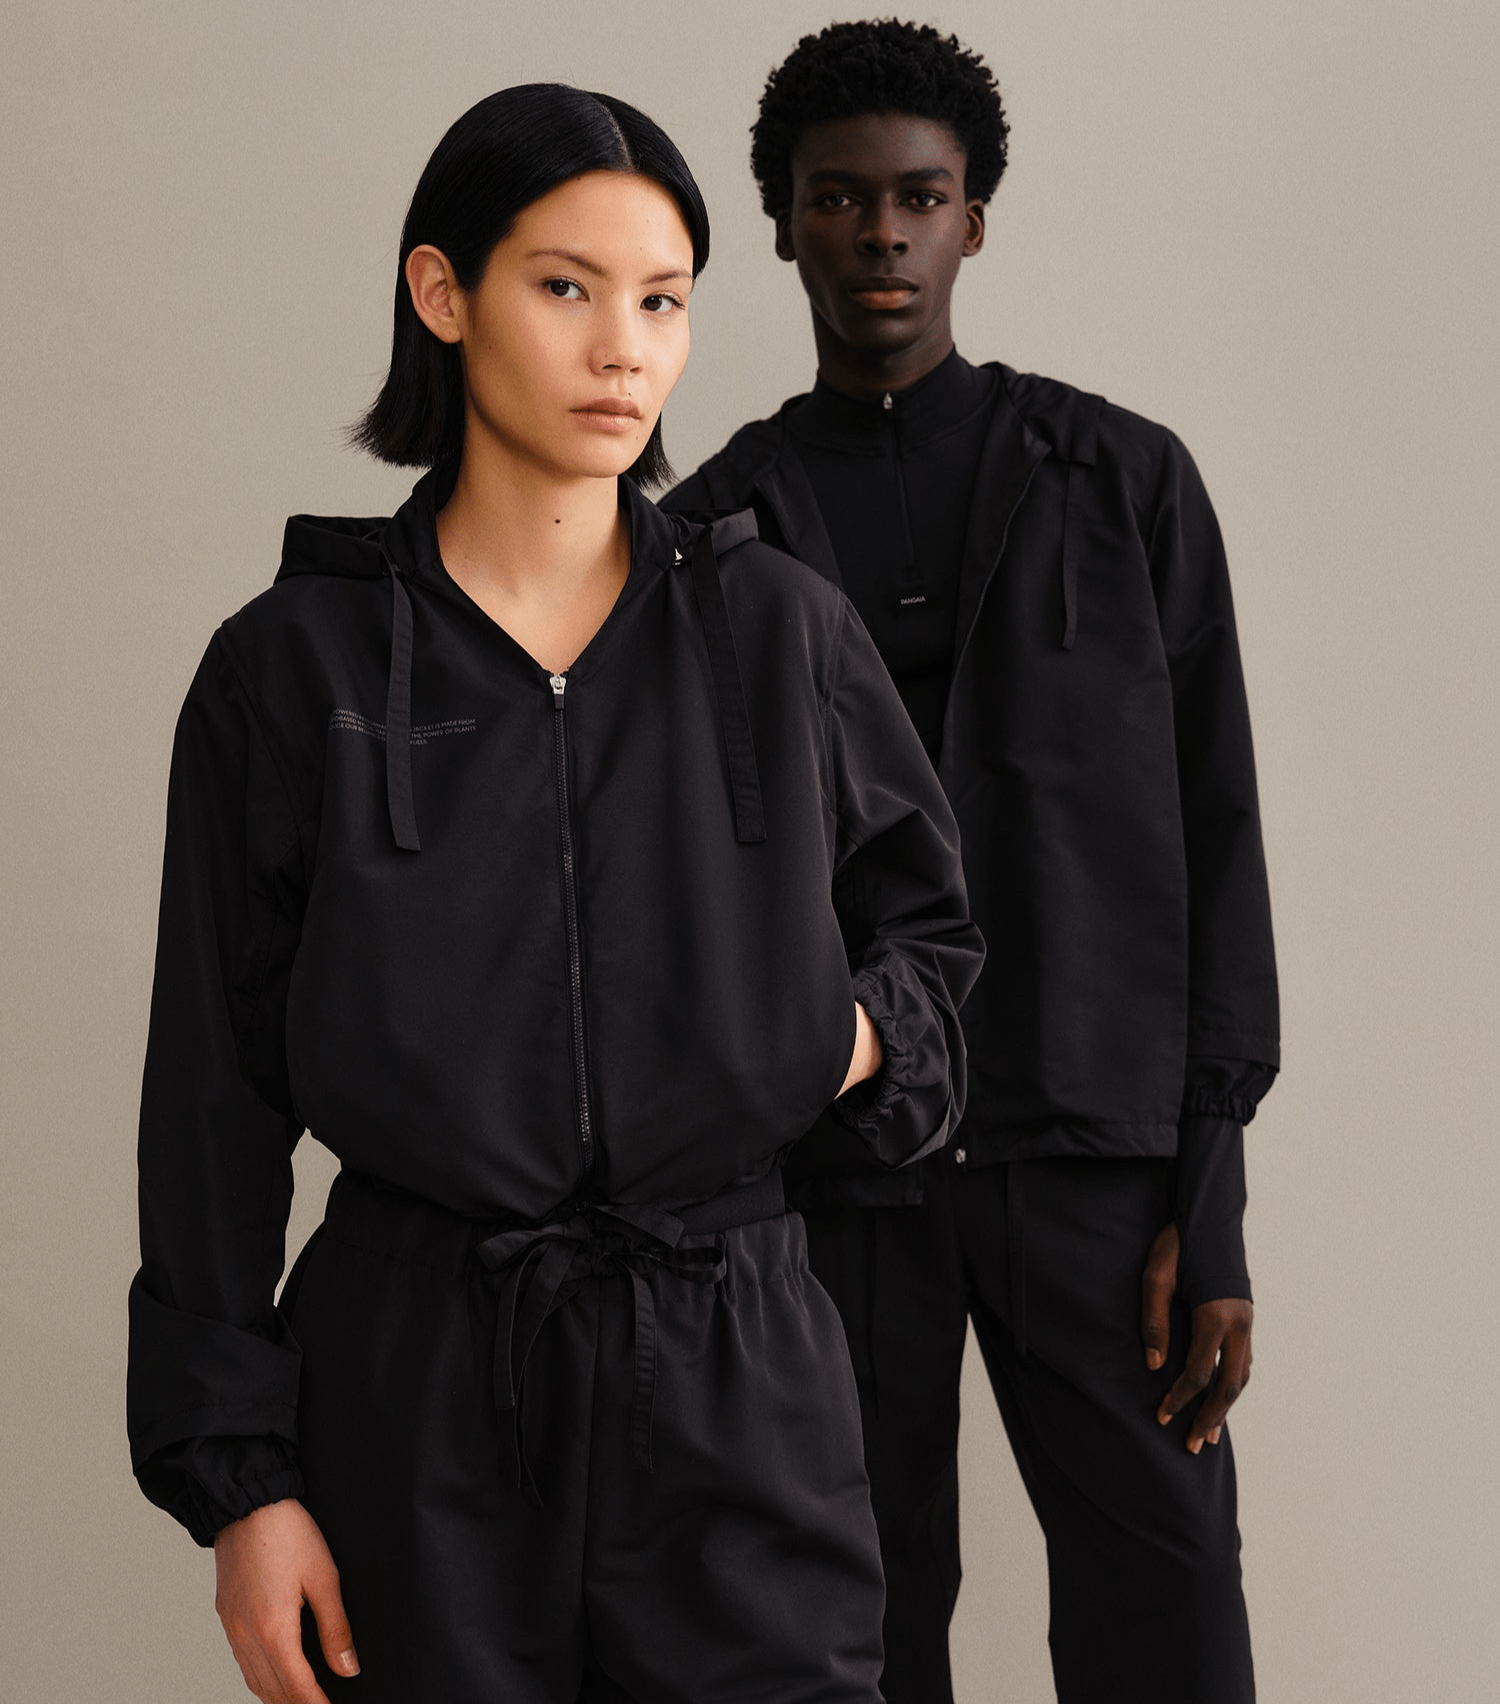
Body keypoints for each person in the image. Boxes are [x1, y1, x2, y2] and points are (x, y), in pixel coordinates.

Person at [126, 82, 984, 1704]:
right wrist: (244, 1489)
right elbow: (210, 1104)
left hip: (737, 1378)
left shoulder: (778, 630)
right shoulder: (293, 668)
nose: (623, 351)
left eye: (661, 301)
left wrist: (843, 1039)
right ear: (442, 293)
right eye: (566, 287)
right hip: (417, 1390)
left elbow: (930, 945)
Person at [663, 21, 1279, 1704]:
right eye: (838, 199)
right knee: (844, 1624)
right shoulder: (706, 537)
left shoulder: (1128, 484)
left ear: (974, 221)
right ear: (781, 225)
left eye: (919, 198)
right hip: (826, 1174)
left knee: (1165, 1601)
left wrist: (1210, 1205)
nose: (881, 234)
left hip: (1095, 1156)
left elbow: (1217, 836)